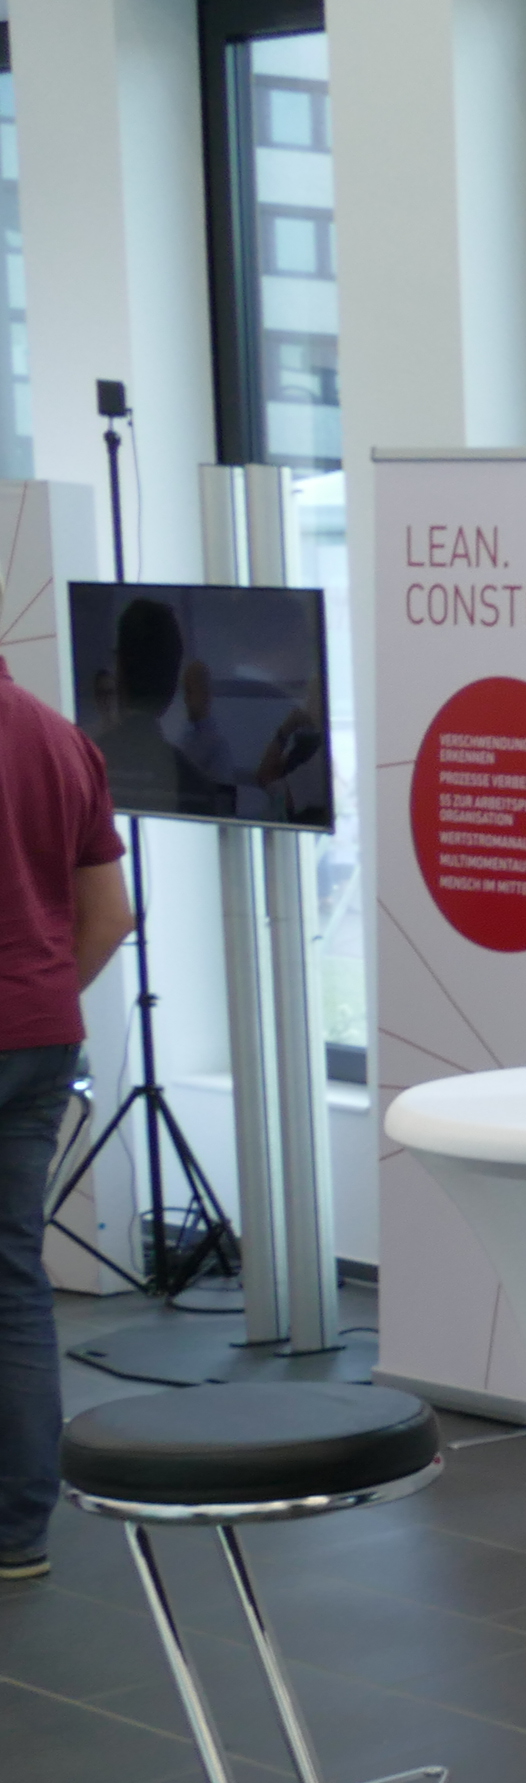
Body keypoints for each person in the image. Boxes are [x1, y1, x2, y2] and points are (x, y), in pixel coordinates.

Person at [0, 655, 136, 1582]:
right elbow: (110, 916)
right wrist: (41, 998)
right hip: (40, 1038)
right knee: (14, 1284)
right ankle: (18, 1533)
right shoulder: (59, 737)